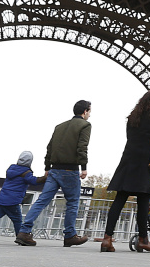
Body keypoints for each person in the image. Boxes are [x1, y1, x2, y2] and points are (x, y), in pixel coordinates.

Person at [99, 91, 150, 254]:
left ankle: (107, 238)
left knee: (119, 201)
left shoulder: (132, 118)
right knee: (143, 203)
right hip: (145, 164)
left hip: (128, 162)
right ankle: (143, 240)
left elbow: (130, 138)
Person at [15, 100, 92, 247]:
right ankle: (70, 235)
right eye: (90, 111)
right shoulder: (85, 125)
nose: (90, 115)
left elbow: (49, 148)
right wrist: (84, 167)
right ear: (85, 112)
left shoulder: (59, 126)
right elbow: (82, 147)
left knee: (41, 201)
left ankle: (24, 232)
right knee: (73, 203)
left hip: (54, 169)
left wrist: (47, 166)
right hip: (70, 170)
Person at [0, 151, 45, 244]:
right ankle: (21, 238)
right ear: (30, 161)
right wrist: (45, 177)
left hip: (2, 199)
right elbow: (34, 181)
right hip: (13, 201)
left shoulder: (11, 169)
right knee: (17, 220)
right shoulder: (26, 172)